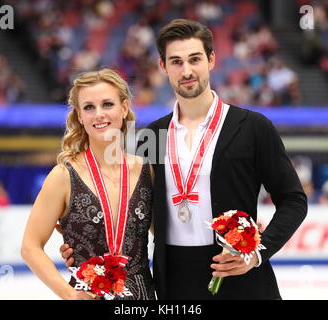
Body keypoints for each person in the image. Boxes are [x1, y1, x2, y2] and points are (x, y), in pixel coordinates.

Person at [61, 19, 307, 300]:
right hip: (174, 280)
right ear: (163, 67)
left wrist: (258, 253)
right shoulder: (152, 136)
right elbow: (134, 212)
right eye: (176, 62)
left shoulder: (252, 128)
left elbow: (293, 200)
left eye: (194, 59)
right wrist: (85, 247)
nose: (186, 70)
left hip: (240, 276)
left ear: (211, 60)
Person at [21, 68, 155, 300]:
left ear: (124, 108)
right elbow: (30, 247)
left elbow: (165, 234)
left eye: (107, 104)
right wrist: (68, 293)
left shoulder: (146, 170)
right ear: (80, 116)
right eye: (89, 107)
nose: (99, 114)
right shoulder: (63, 176)